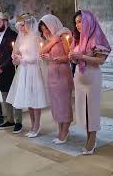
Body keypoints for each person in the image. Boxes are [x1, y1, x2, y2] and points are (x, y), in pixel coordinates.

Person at [68, 10, 111, 155]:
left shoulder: (96, 37)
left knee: (92, 109)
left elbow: (100, 60)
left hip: (92, 78)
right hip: (79, 79)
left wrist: (81, 56)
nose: (77, 25)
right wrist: (73, 57)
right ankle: (88, 136)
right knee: (83, 109)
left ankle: (92, 138)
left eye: (80, 21)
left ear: (89, 21)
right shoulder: (78, 38)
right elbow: (76, 60)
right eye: (76, 22)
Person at [7, 13, 48, 137]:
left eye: (23, 26)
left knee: (35, 98)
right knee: (28, 99)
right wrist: (15, 56)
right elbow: (18, 52)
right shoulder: (22, 37)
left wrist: (23, 59)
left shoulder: (36, 38)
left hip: (33, 70)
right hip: (24, 70)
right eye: (19, 26)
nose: (21, 29)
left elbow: (38, 57)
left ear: (29, 24)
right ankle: (32, 124)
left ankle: (37, 125)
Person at [39, 14, 74, 144]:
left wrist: (54, 58)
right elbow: (41, 52)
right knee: (56, 104)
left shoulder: (64, 36)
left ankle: (65, 132)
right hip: (52, 74)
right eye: (42, 29)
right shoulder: (51, 39)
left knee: (64, 104)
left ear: (52, 25)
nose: (45, 32)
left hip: (63, 74)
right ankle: (61, 131)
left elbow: (70, 56)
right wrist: (52, 41)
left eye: (46, 28)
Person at [0, 11, 23, 133]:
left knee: (15, 97)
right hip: (1, 73)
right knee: (5, 96)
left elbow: (13, 56)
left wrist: (2, 68)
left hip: (11, 71)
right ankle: (10, 120)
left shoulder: (13, 35)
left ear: (5, 22)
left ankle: (18, 121)